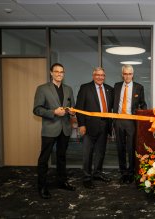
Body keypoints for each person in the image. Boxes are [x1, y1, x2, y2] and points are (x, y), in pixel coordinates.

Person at [33, 63, 76, 199]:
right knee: (44, 159)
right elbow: (37, 109)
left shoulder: (68, 89)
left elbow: (72, 106)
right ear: (51, 73)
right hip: (50, 129)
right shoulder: (42, 89)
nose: (59, 74)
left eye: (61, 72)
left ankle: (62, 181)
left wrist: (72, 112)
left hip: (65, 129)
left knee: (62, 157)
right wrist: (54, 112)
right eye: (56, 72)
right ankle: (42, 187)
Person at [75, 67, 114, 189]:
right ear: (93, 76)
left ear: (104, 76)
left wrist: (111, 125)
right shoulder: (85, 88)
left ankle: (97, 173)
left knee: (100, 153)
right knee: (88, 154)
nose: (100, 77)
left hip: (104, 125)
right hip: (89, 126)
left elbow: (110, 109)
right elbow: (79, 108)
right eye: (97, 75)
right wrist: (81, 124)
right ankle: (87, 177)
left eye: (102, 75)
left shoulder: (109, 89)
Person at [113, 64, 147, 184]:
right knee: (120, 147)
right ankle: (123, 172)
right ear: (122, 74)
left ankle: (131, 172)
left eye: (130, 74)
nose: (127, 76)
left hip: (131, 122)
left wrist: (143, 118)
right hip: (118, 121)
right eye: (125, 73)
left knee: (131, 147)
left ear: (133, 74)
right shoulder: (116, 86)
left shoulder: (139, 87)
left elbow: (143, 104)